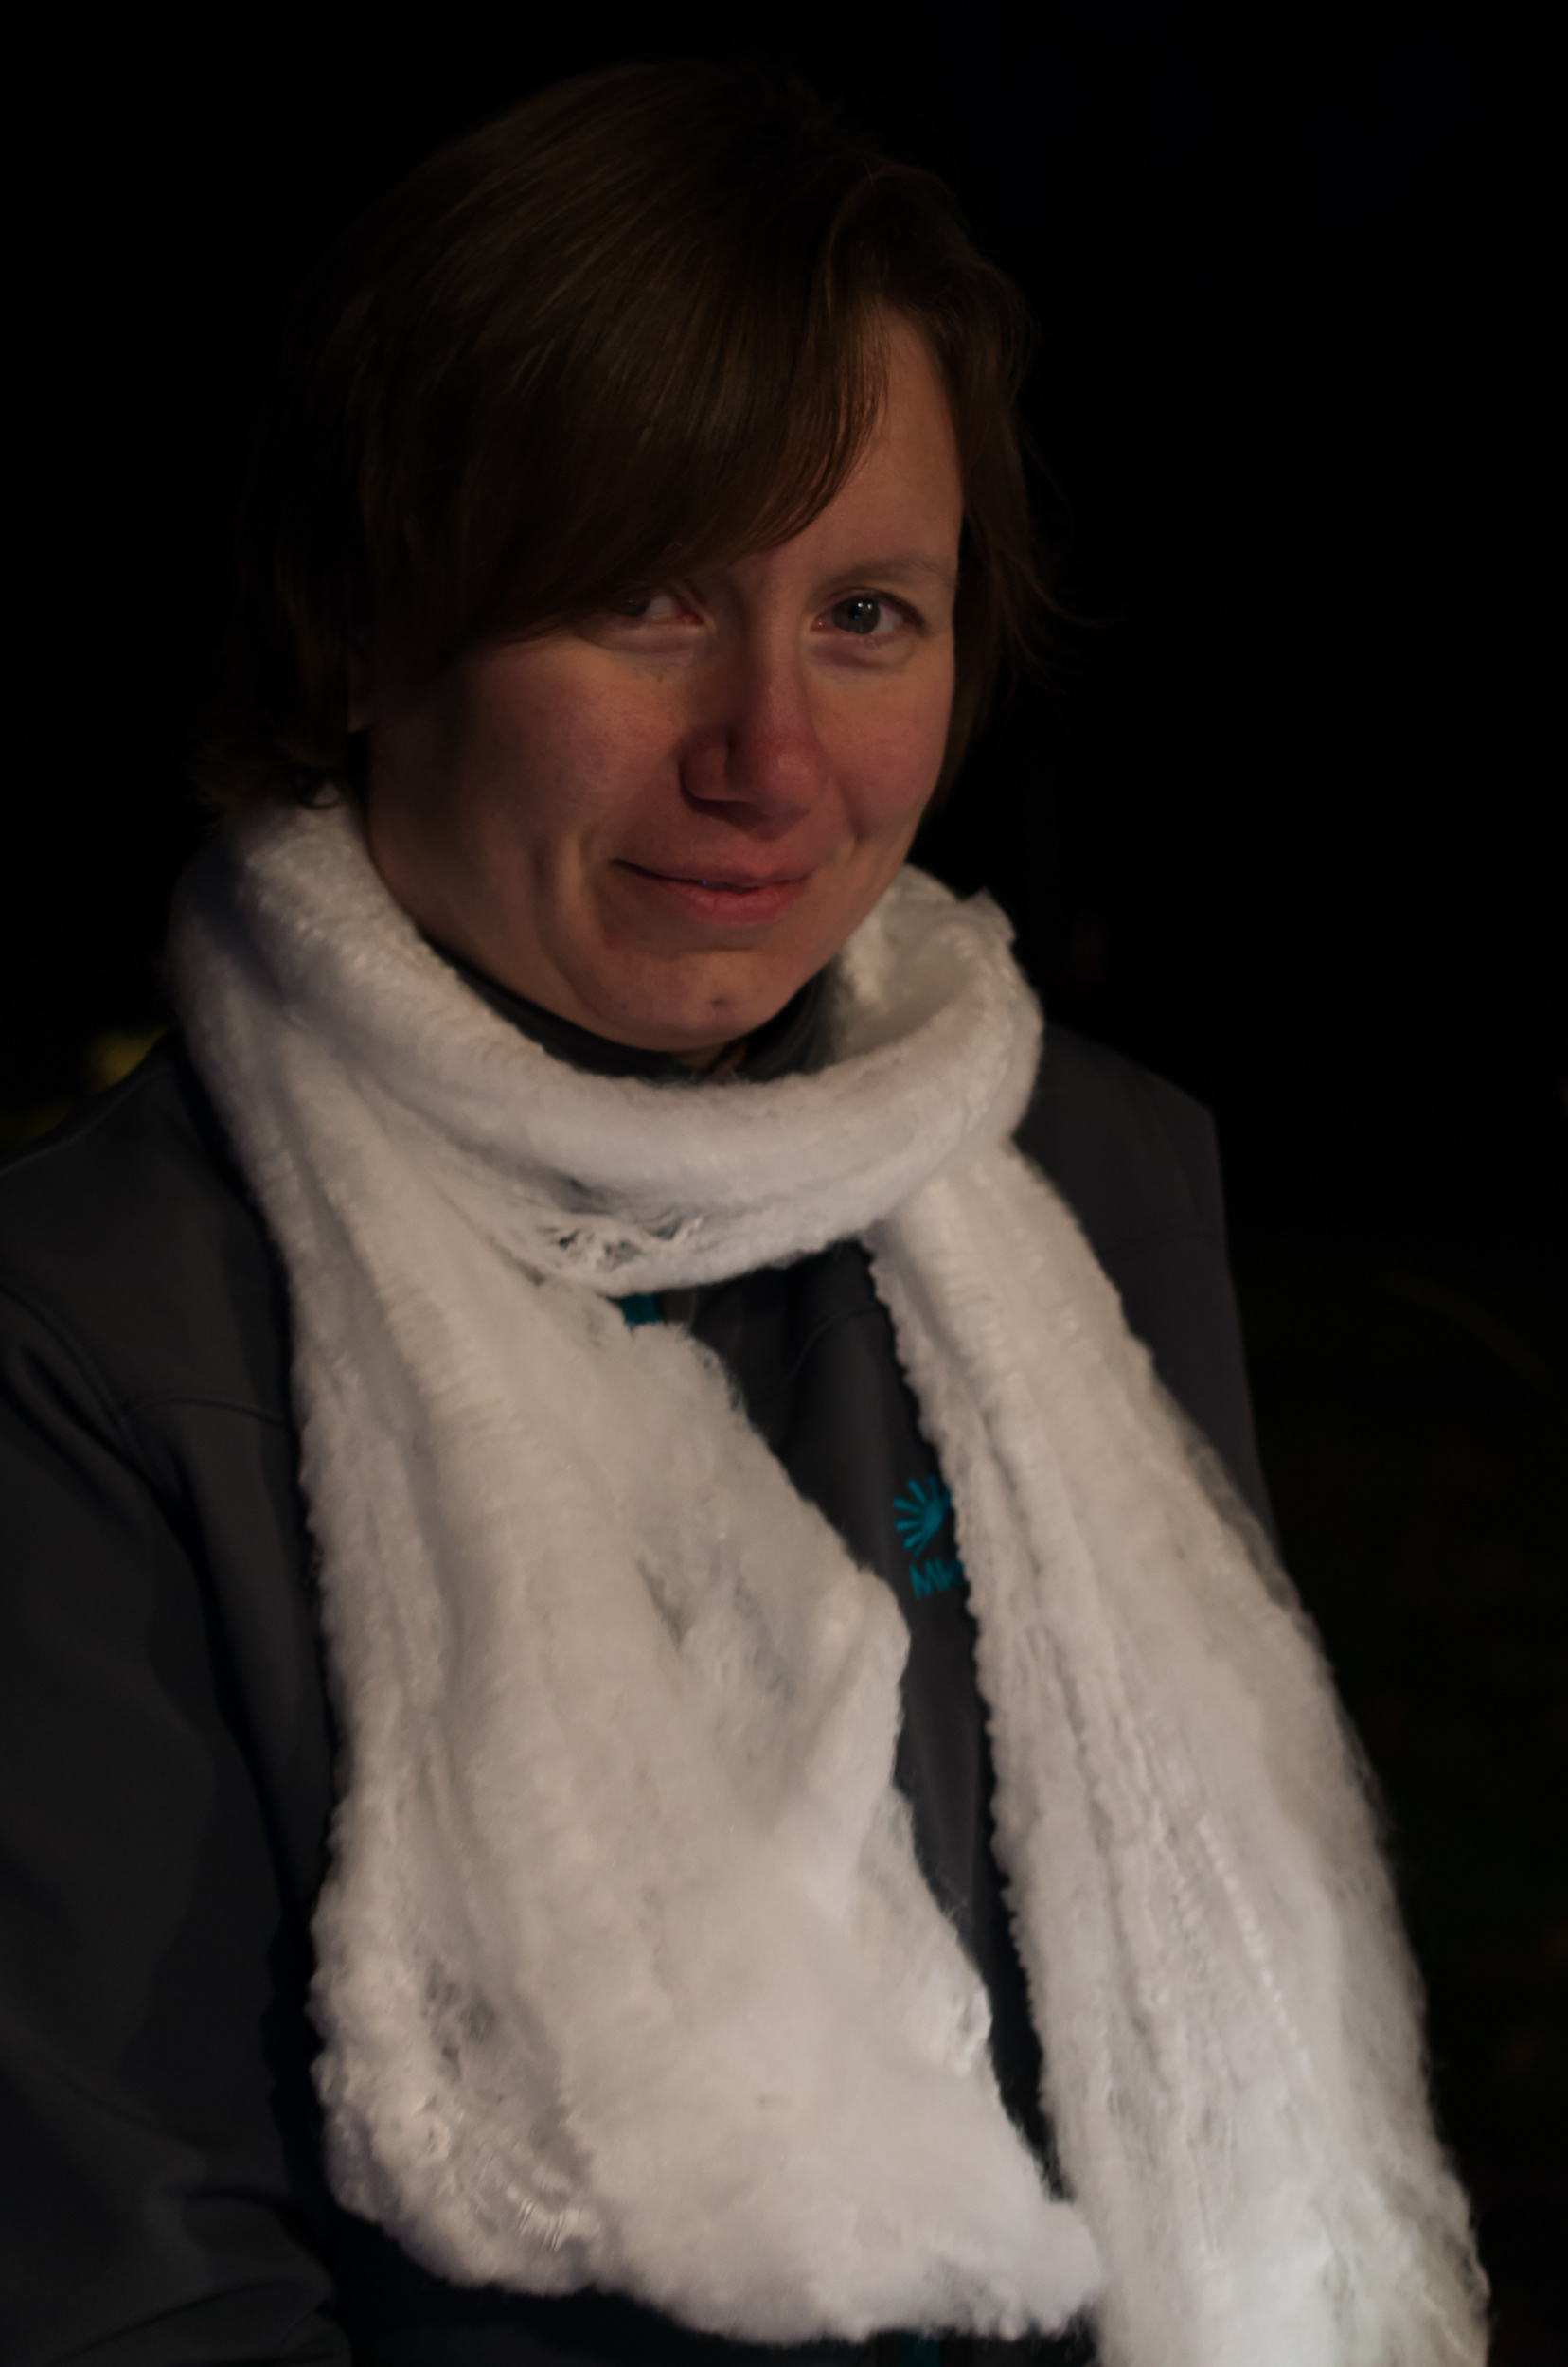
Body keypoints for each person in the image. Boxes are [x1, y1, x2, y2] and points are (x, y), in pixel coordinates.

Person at [0, 59, 1486, 2367]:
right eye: (645, 595)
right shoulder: (103, 1324)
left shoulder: (1091, 1170)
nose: (770, 758)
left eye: (868, 613)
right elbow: (131, 2280)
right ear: (366, 626)